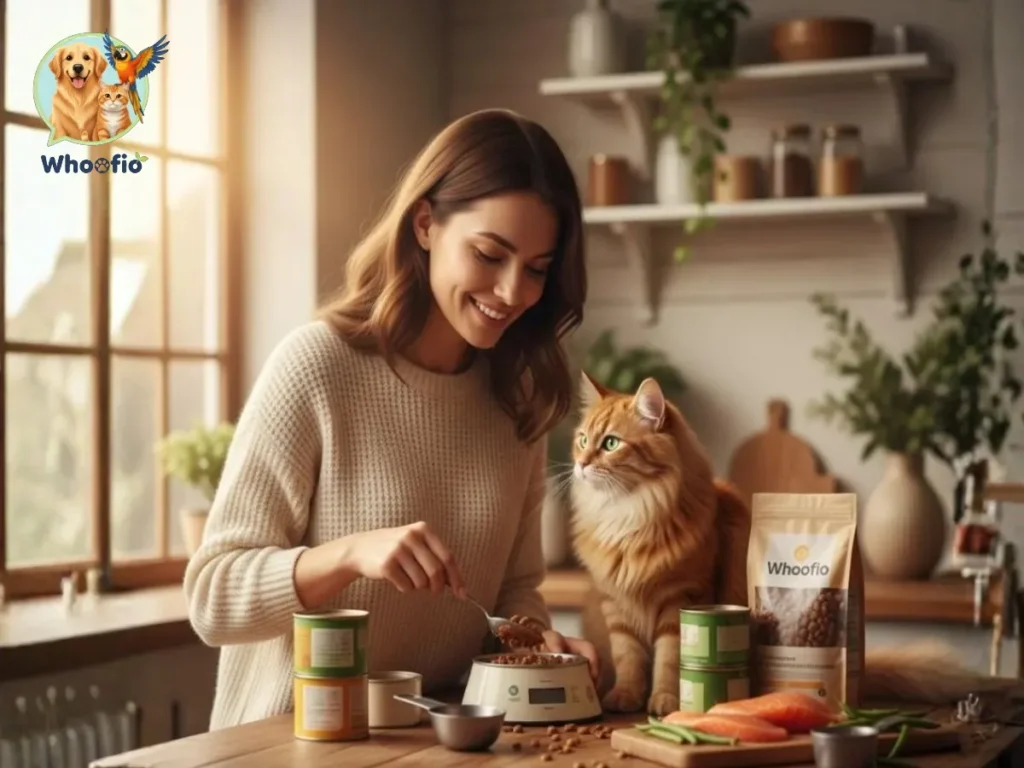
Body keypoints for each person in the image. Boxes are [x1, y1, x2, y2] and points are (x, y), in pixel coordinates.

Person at [183, 108, 598, 730]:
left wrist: (540, 644)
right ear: (426, 224)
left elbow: (514, 592)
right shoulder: (317, 366)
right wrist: (348, 555)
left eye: (537, 268)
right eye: (490, 254)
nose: (513, 291)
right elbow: (212, 598)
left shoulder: (519, 398)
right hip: (286, 745)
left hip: (430, 745)